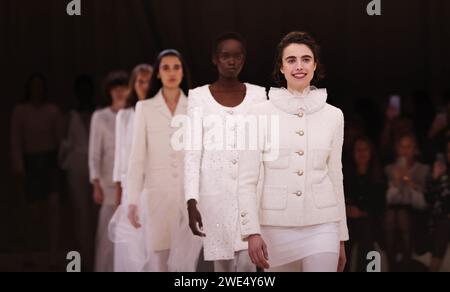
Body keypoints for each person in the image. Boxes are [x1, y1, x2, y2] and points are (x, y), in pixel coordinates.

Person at [237, 31, 349, 272]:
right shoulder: (259, 114)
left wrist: (341, 237)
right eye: (291, 60)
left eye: (306, 59)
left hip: (323, 224)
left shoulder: (334, 115)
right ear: (281, 67)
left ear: (315, 65)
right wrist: (251, 231)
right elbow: (246, 179)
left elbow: (335, 177)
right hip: (274, 228)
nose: (299, 66)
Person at [185, 32, 267, 272]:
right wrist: (191, 201)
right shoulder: (198, 97)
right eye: (225, 56)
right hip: (214, 196)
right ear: (215, 59)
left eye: (237, 56)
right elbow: (192, 153)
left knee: (248, 264)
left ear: (244, 59)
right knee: (221, 266)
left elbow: (264, 148)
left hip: (249, 193)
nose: (232, 61)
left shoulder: (258, 94)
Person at [126, 50, 197, 272]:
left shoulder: (196, 106)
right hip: (157, 194)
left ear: (183, 72)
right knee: (160, 262)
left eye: (177, 67)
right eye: (165, 67)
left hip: (190, 196)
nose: (172, 72)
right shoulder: (145, 108)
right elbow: (137, 158)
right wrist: (132, 199)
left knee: (187, 264)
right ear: (157, 74)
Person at [11, 73, 64, 269]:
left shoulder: (52, 110)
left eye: (40, 86)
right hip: (30, 162)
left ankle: (52, 254)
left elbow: (60, 142)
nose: (37, 90)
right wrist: (19, 167)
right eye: (34, 86)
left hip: (50, 162)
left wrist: (61, 166)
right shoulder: (20, 111)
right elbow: (15, 140)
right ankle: (29, 253)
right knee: (32, 213)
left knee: (53, 208)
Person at [108, 64, 154, 272]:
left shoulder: (161, 112)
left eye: (148, 81)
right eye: (140, 81)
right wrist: (118, 196)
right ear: (133, 84)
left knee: (154, 246)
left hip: (155, 188)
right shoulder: (125, 116)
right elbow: (120, 158)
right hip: (132, 189)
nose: (144, 86)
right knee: (132, 247)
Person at [89, 71, 129, 272]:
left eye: (123, 87)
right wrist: (95, 182)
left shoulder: (134, 113)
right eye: (116, 88)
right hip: (108, 185)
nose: (120, 92)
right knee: (107, 238)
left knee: (129, 238)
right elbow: (94, 153)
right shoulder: (100, 117)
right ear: (109, 92)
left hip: (131, 184)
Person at [59, 75, 97, 271]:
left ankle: (97, 257)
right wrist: (63, 169)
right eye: (80, 89)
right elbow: (64, 146)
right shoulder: (70, 115)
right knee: (81, 211)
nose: (84, 93)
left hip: (98, 167)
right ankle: (83, 258)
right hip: (76, 166)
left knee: (97, 213)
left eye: (87, 88)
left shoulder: (100, 113)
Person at [384, 133, 429, 270]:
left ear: (415, 149)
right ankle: (392, 265)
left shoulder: (423, 170)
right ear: (397, 149)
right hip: (393, 214)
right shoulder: (389, 169)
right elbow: (388, 200)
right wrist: (397, 182)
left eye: (409, 147)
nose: (405, 151)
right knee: (392, 215)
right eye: (402, 147)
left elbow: (422, 203)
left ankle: (406, 263)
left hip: (416, 215)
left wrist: (410, 183)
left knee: (401, 215)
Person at [344, 136, 386, 272]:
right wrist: (347, 209)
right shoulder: (345, 174)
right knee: (345, 236)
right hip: (347, 220)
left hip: (371, 219)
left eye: (365, 149)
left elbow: (380, 205)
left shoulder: (379, 175)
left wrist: (362, 212)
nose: (362, 153)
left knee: (365, 231)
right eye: (358, 150)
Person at [426, 139, 450, 272]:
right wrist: (435, 178)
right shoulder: (442, 172)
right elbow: (429, 199)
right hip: (441, 219)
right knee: (444, 225)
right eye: (449, 151)